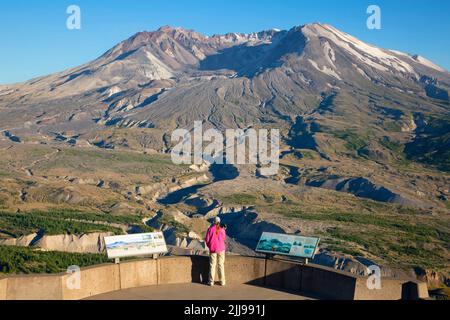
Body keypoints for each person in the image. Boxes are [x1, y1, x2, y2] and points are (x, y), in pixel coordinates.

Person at [205, 216, 227, 286]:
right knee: (220, 265)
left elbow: (207, 240)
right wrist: (224, 230)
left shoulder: (210, 229)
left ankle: (211, 282)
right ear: (219, 222)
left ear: (213, 222)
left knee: (212, 265)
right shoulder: (222, 229)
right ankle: (222, 281)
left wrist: (210, 246)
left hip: (213, 249)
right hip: (221, 249)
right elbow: (224, 238)